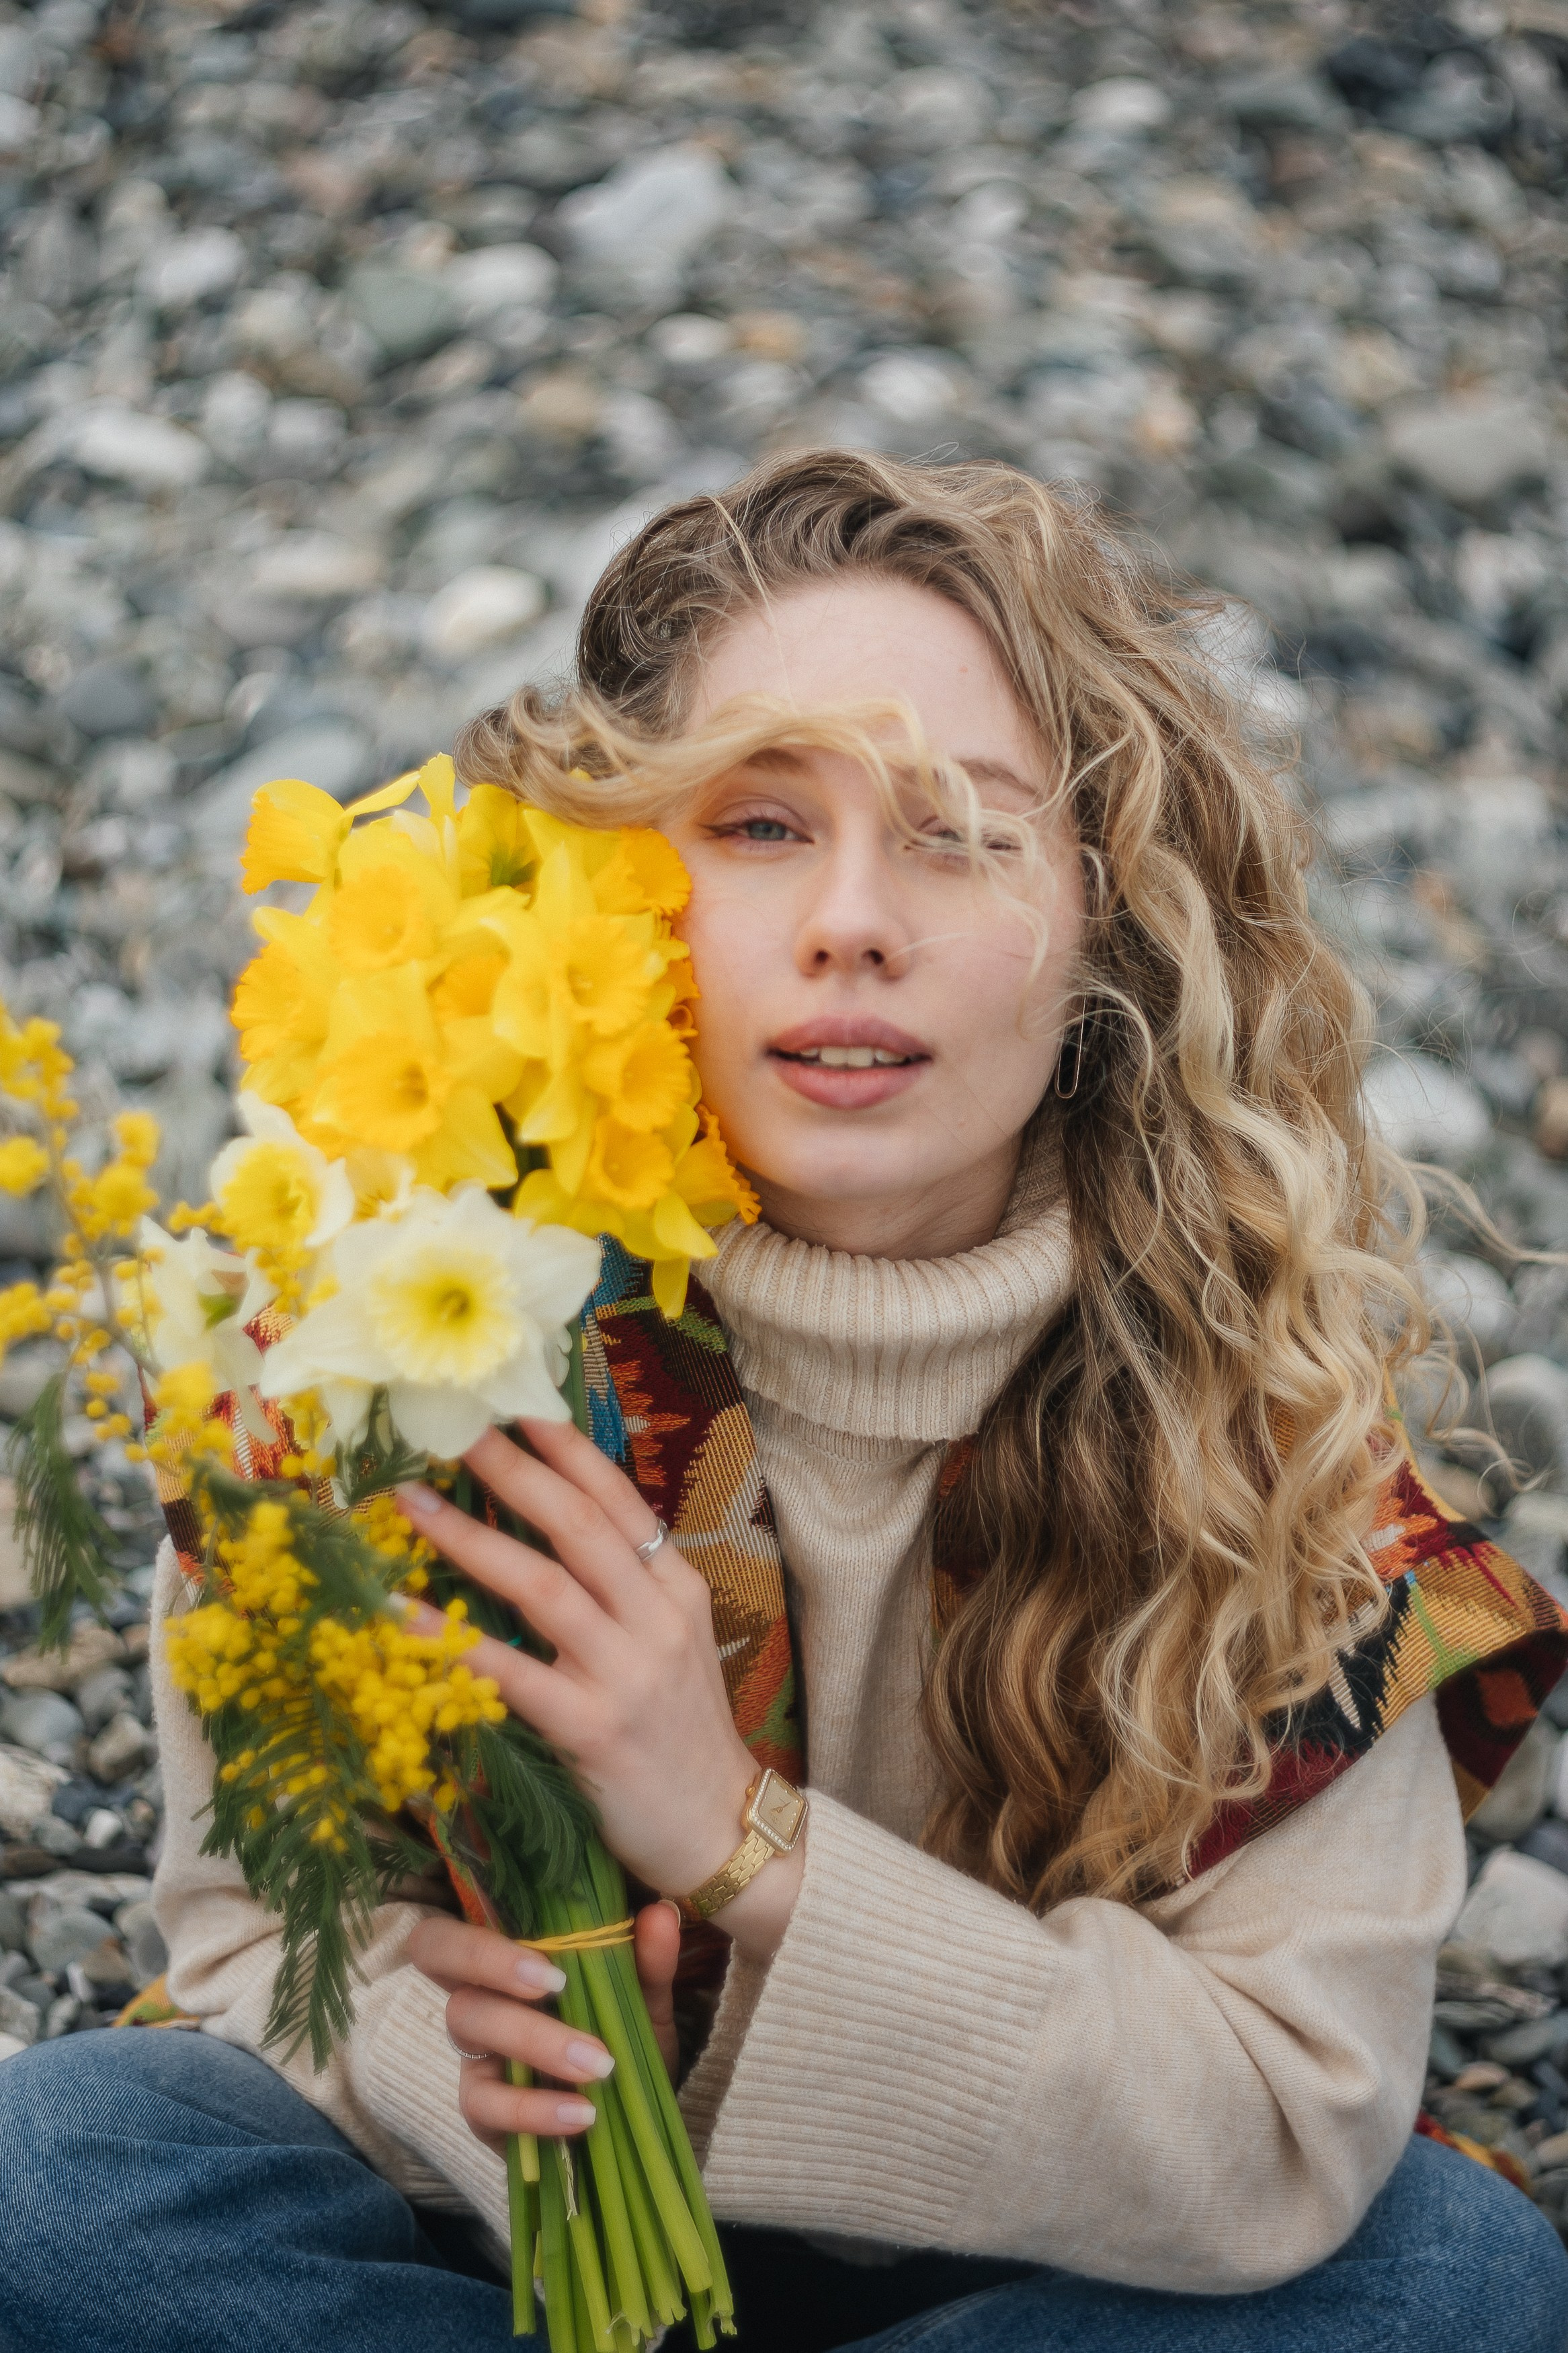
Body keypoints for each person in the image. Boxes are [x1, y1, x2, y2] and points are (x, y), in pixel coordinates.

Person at [3, 450, 1566, 2353]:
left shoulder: (1278, 1436)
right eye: (756, 823)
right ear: (612, 876)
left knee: (1449, 2280)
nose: (851, 921)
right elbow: (249, 1944)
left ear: (1103, 930)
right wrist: (465, 2059)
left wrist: (734, 1836)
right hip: (494, 2275)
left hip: (1014, 2285)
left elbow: (1281, 2120)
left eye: (960, 829)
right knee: (62, 2173)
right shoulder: (402, 1335)